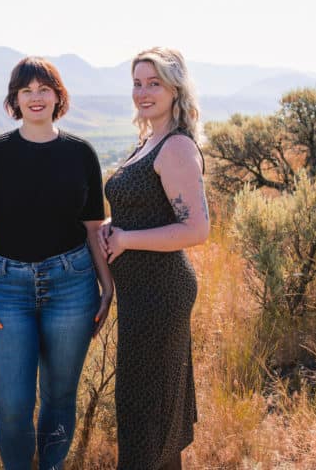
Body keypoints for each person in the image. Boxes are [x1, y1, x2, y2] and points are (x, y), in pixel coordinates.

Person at [0, 56, 114, 470]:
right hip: (6, 288)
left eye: (43, 89)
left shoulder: (80, 153)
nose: (35, 97)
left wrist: (107, 285)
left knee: (60, 395)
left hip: (73, 286)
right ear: (14, 99)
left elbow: (92, 226)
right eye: (26, 90)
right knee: (12, 404)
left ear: (57, 97)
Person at [99, 47, 209, 470]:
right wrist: (114, 225)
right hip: (140, 293)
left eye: (154, 83)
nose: (143, 92)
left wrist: (126, 238)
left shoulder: (177, 146)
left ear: (175, 89)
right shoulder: (149, 141)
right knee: (146, 410)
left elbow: (196, 229)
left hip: (161, 292)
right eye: (138, 83)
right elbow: (147, 207)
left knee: (149, 412)